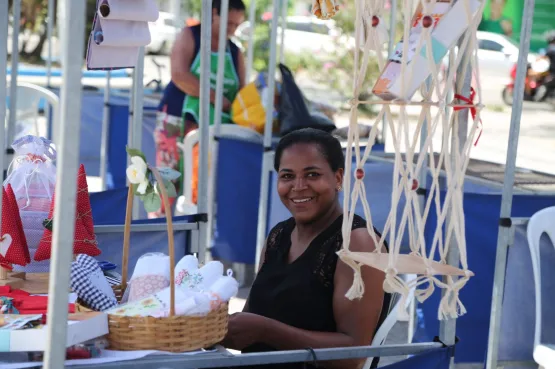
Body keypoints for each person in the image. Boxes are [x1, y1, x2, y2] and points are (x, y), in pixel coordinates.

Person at [223, 129, 391, 369]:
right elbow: (251, 320)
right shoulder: (278, 236)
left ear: (338, 178)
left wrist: (266, 331)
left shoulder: (358, 243)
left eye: (312, 174)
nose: (298, 186)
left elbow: (354, 356)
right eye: (287, 176)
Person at [153, 0, 246, 215]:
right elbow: (179, 75)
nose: (232, 30)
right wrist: (216, 98)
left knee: (202, 189)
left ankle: (196, 241)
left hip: (213, 132)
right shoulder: (190, 35)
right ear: (213, 13)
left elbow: (241, 94)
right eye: (229, 23)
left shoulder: (235, 52)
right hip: (175, 121)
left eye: (237, 25)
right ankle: (160, 232)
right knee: (167, 186)